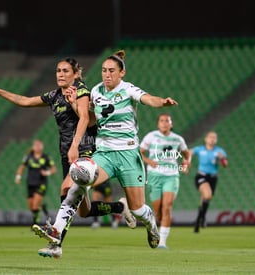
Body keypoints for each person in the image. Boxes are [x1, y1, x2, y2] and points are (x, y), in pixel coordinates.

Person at [0, 57, 135, 259]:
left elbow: (86, 119)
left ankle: (56, 242)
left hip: (86, 149)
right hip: (67, 154)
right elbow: (26, 101)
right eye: (58, 71)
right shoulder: (54, 96)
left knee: (65, 188)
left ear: (75, 74)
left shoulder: (81, 91)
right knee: (83, 211)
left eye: (65, 71)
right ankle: (120, 207)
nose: (60, 74)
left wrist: (75, 145)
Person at [32, 49, 179, 250]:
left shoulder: (128, 90)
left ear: (121, 73)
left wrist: (162, 102)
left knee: (137, 209)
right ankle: (56, 231)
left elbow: (149, 99)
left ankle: (151, 224)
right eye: (103, 70)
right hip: (104, 155)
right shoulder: (96, 91)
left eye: (111, 71)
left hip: (128, 155)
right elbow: (92, 120)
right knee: (79, 180)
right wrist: (75, 103)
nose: (107, 74)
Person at [140, 113, 191, 249]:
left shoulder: (177, 139)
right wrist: (149, 161)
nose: (164, 123)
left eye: (167, 121)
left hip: (171, 175)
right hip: (154, 175)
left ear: (171, 124)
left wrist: (186, 164)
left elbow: (187, 154)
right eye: (162, 121)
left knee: (167, 207)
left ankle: (162, 242)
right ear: (158, 124)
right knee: (158, 212)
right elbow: (139, 152)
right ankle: (156, 229)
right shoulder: (151, 136)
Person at [191, 131, 228, 233]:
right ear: (206, 139)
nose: (212, 139)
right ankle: (201, 219)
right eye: (210, 137)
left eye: (214, 137)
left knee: (205, 200)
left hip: (213, 178)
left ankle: (199, 221)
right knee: (207, 195)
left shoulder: (219, 151)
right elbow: (188, 153)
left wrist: (222, 159)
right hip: (201, 176)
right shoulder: (200, 149)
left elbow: (225, 164)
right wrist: (186, 163)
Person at [15, 139, 57, 225]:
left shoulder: (46, 157)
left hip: (41, 183)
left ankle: (35, 224)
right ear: (33, 147)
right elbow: (21, 167)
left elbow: (53, 170)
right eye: (36, 145)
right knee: (31, 207)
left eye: (39, 145)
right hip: (30, 183)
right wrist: (18, 177)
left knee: (35, 206)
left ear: (42, 147)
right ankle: (42, 208)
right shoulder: (28, 157)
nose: (37, 147)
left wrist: (47, 173)